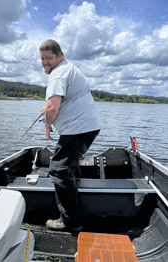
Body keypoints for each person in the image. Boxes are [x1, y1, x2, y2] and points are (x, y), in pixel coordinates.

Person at [40, 39, 103, 231]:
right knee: (69, 166)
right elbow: (60, 104)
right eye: (42, 59)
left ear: (60, 55)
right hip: (85, 127)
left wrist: (47, 124)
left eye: (48, 58)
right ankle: (78, 209)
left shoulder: (59, 74)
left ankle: (70, 221)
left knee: (59, 169)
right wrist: (50, 112)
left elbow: (52, 107)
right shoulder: (68, 69)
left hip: (79, 128)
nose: (45, 62)